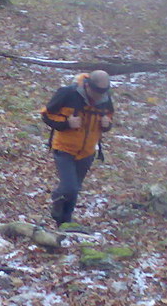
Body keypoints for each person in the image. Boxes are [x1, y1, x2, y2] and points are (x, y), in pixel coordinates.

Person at [40, 70, 114, 227]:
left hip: (87, 152)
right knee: (69, 187)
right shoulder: (68, 93)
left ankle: (64, 223)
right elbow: (46, 115)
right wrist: (66, 123)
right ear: (88, 86)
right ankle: (57, 200)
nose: (100, 96)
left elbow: (108, 118)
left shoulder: (105, 99)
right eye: (97, 92)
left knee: (74, 190)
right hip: (64, 148)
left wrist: (106, 125)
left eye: (103, 92)